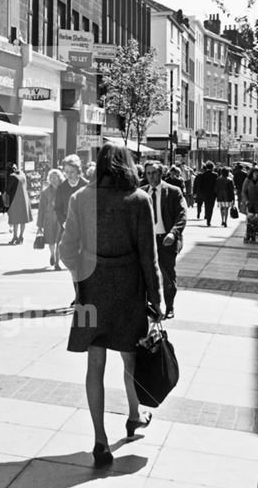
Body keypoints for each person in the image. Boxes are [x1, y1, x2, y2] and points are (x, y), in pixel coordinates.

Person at [59, 143, 161, 468]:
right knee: (131, 361)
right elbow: (150, 257)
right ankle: (133, 416)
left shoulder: (81, 199)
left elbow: (66, 249)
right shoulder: (139, 200)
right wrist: (157, 299)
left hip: (92, 293)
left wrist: (80, 281)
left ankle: (100, 440)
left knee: (95, 366)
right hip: (130, 293)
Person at [143, 161, 187, 319]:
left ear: (161, 173)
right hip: (148, 241)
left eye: (154, 172)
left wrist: (173, 233)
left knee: (168, 275)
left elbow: (182, 215)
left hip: (166, 240)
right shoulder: (142, 193)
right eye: (148, 173)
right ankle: (152, 306)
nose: (151, 176)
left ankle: (169, 306)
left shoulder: (173, 192)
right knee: (147, 275)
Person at [53, 154, 87, 239]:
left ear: (78, 171)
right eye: (66, 172)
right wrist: (64, 223)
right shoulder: (61, 188)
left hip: (84, 228)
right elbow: (58, 208)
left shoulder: (86, 185)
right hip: (67, 228)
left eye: (72, 172)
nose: (69, 175)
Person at [37, 168, 64, 270]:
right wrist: (39, 225)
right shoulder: (45, 192)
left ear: (59, 178)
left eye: (55, 177)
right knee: (51, 240)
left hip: (61, 219)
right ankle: (52, 254)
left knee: (60, 241)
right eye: (51, 178)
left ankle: (57, 262)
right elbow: (41, 209)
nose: (53, 180)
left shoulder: (64, 189)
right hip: (48, 219)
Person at [3, 163, 32, 245]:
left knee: (15, 219)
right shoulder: (23, 174)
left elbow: (8, 189)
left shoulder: (12, 176)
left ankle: (14, 237)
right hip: (24, 199)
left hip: (15, 200)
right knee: (23, 220)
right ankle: (21, 237)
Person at [195, 161, 218, 225]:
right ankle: (208, 220)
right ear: (212, 167)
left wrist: (199, 193)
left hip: (204, 193)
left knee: (206, 205)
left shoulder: (202, 175)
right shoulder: (215, 175)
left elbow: (199, 185)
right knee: (210, 207)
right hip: (212, 194)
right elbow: (216, 185)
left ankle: (206, 216)